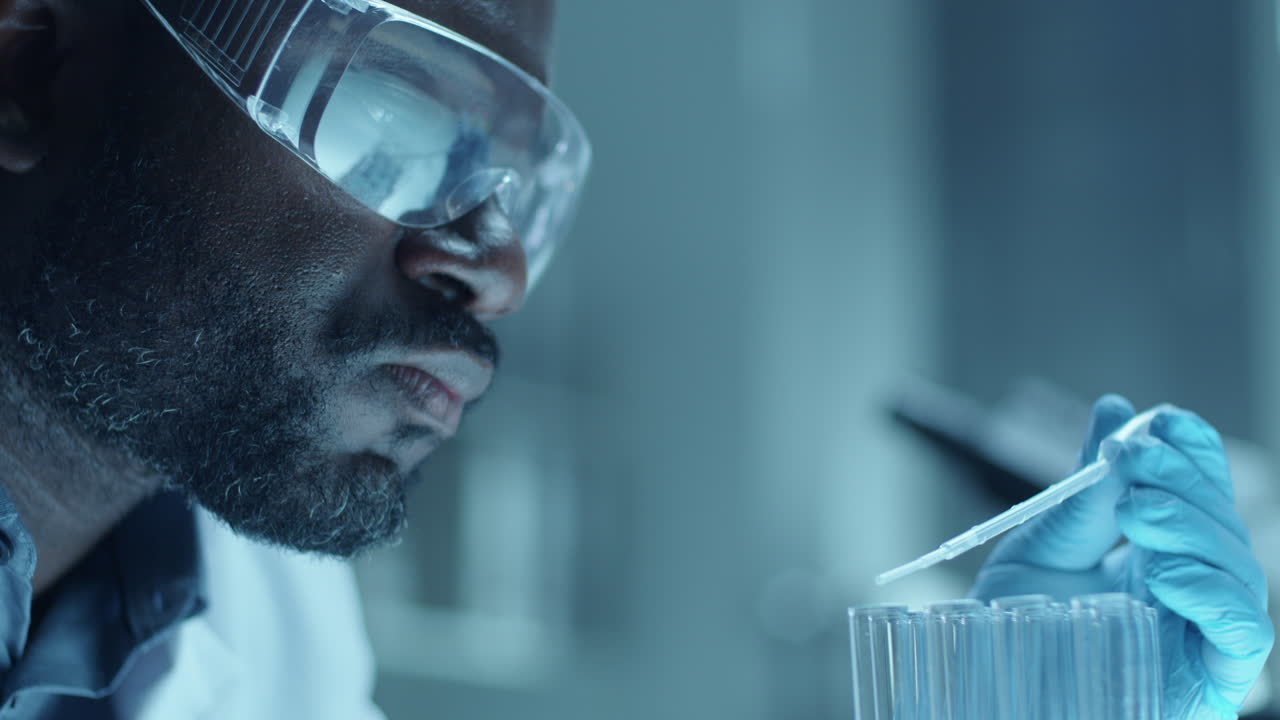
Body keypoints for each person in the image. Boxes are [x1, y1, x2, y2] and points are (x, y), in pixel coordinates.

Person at [0, 1, 1269, 719]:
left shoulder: (272, 632)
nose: (491, 270)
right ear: (32, 63)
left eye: (523, 189)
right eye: (390, 113)